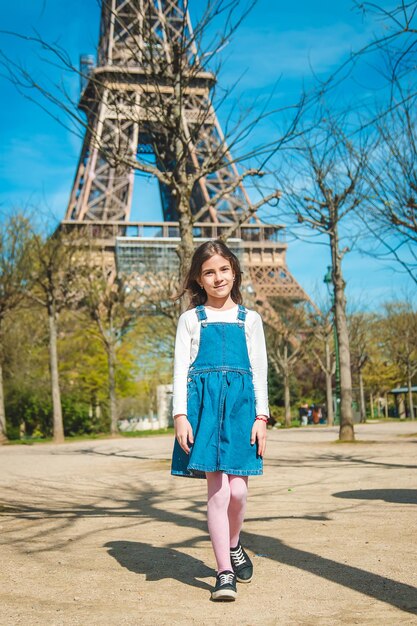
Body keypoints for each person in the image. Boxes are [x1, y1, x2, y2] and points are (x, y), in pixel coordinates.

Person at [171, 240, 269, 602]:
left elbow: (260, 372)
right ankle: (223, 571)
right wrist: (180, 415)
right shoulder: (190, 320)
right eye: (209, 272)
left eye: (224, 269)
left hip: (243, 408)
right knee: (219, 491)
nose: (217, 277)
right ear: (199, 278)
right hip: (206, 410)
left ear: (235, 271)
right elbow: (180, 370)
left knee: (240, 492)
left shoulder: (250, 319)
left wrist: (262, 417)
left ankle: (233, 543)